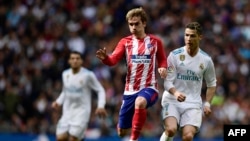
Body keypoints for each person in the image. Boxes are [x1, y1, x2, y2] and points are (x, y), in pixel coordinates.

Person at [96, 7, 168, 141]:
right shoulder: (125, 42)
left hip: (149, 87)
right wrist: (106, 58)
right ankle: (123, 126)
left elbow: (162, 59)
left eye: (137, 24)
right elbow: (113, 60)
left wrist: (163, 68)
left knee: (140, 102)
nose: (134, 27)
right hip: (130, 90)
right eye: (131, 24)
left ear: (144, 23)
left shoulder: (155, 42)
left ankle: (134, 138)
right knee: (121, 132)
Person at [160, 22, 217, 141]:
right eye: (186, 35)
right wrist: (176, 93)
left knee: (188, 136)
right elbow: (167, 82)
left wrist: (207, 104)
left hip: (193, 103)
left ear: (200, 37)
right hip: (172, 99)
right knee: (171, 130)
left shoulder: (206, 60)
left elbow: (211, 84)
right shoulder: (174, 55)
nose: (188, 38)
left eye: (192, 36)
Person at [51, 51, 107, 141]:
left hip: (82, 113)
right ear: (69, 61)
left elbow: (100, 90)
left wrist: (101, 106)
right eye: (72, 58)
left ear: (81, 61)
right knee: (61, 138)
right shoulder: (65, 74)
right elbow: (65, 91)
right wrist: (58, 102)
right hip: (67, 113)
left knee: (73, 139)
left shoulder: (88, 75)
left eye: (77, 58)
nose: (75, 61)